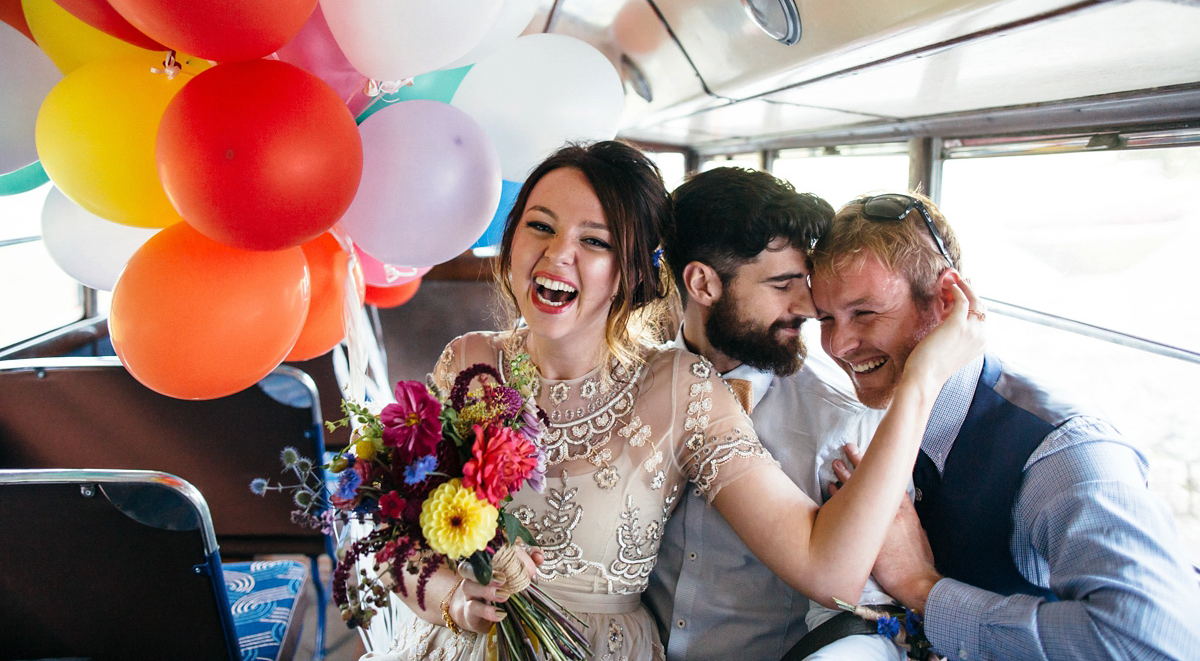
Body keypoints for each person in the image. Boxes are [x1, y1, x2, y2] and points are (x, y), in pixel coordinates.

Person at [365, 144, 984, 661]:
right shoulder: (467, 361)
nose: (558, 255)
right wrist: (449, 596)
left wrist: (920, 381)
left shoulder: (682, 387)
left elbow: (828, 571)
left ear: (631, 268)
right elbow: (395, 534)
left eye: (595, 240)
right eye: (541, 225)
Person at [807, 191, 1200, 661]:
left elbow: (1155, 642)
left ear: (946, 300)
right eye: (826, 318)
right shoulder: (862, 414)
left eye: (864, 313)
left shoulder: (1062, 452)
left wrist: (923, 588)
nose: (838, 344)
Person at [642, 167, 903, 661]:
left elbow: (861, 620)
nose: (807, 306)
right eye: (783, 285)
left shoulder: (841, 425)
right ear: (702, 283)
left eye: (804, 282)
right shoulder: (633, 386)